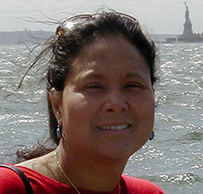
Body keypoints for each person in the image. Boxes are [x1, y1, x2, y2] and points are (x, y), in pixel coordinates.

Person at [0, 10, 165, 194]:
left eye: (132, 85)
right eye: (94, 86)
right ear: (57, 106)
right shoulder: (10, 187)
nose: (116, 103)